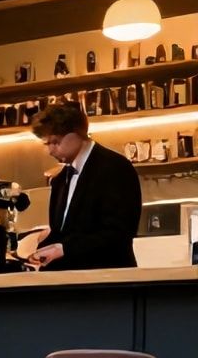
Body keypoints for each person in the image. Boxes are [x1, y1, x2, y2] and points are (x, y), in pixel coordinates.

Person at [29, 102, 141, 271]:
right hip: (73, 284)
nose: (50, 151)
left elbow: (119, 233)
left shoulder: (115, 167)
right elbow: (64, 234)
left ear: (77, 133)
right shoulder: (59, 180)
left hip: (110, 280)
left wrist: (64, 249)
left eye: (55, 142)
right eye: (47, 144)